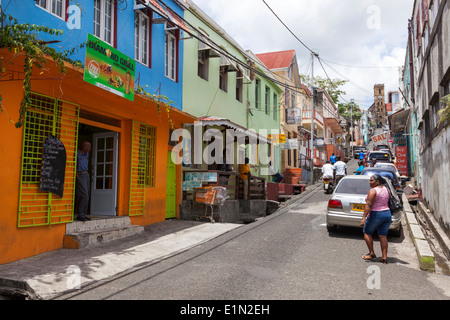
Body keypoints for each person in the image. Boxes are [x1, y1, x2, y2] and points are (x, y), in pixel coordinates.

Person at [360, 174, 392, 264]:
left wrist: (363, 218)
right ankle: (384, 257)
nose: (369, 182)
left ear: (377, 181)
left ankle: (371, 253)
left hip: (376, 214)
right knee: (383, 236)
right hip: (387, 213)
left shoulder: (373, 191)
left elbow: (369, 205)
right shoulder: (386, 189)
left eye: (371, 180)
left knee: (367, 232)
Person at [75, 141, 92, 221]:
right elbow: (74, 163)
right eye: (88, 147)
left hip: (86, 174)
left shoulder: (87, 154)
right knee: (83, 195)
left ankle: (83, 214)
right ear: (83, 146)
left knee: (87, 195)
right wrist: (76, 174)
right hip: (80, 174)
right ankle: (80, 214)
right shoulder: (77, 154)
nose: (89, 148)